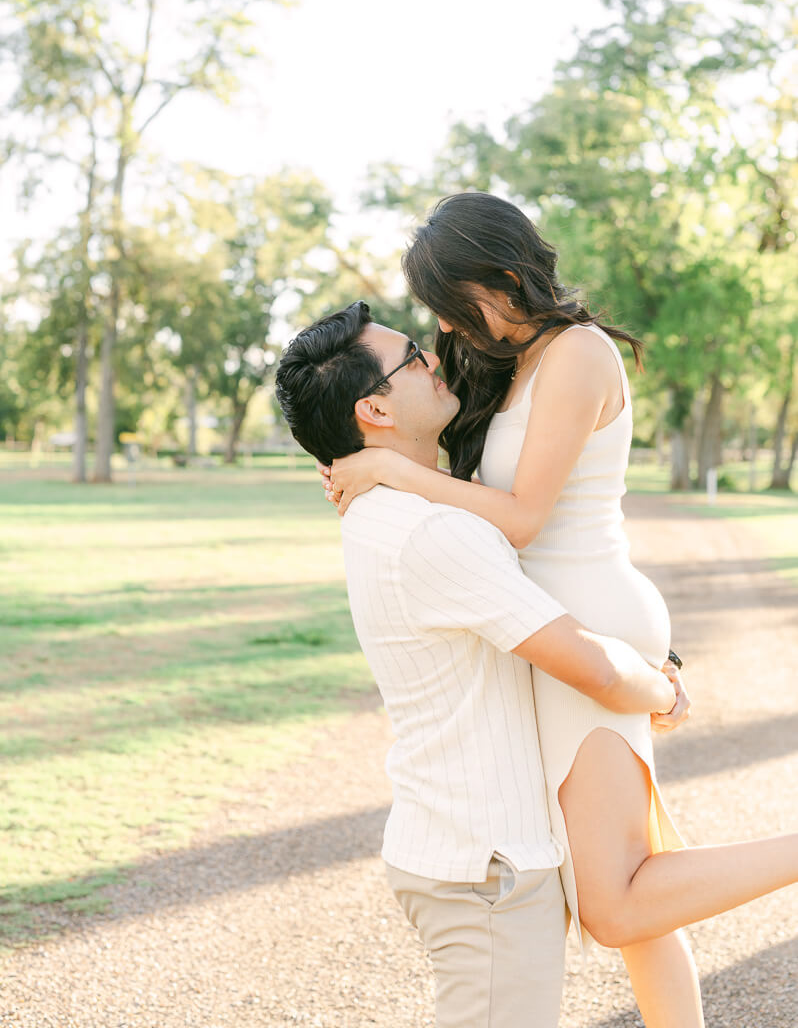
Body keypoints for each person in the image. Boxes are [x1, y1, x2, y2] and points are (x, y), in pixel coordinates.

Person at [320, 193, 798, 1028]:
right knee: (635, 891)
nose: (448, 328)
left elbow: (524, 517)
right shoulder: (513, 362)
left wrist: (391, 472)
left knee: (613, 904)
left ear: (503, 279)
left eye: (454, 306)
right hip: (556, 620)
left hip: (590, 617)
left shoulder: (577, 353)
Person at [275, 300, 690, 1028]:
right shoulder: (431, 531)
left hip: (466, 851)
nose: (435, 357)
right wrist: (663, 691)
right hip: (486, 865)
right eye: (414, 358)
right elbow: (589, 666)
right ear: (373, 407)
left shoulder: (394, 508)